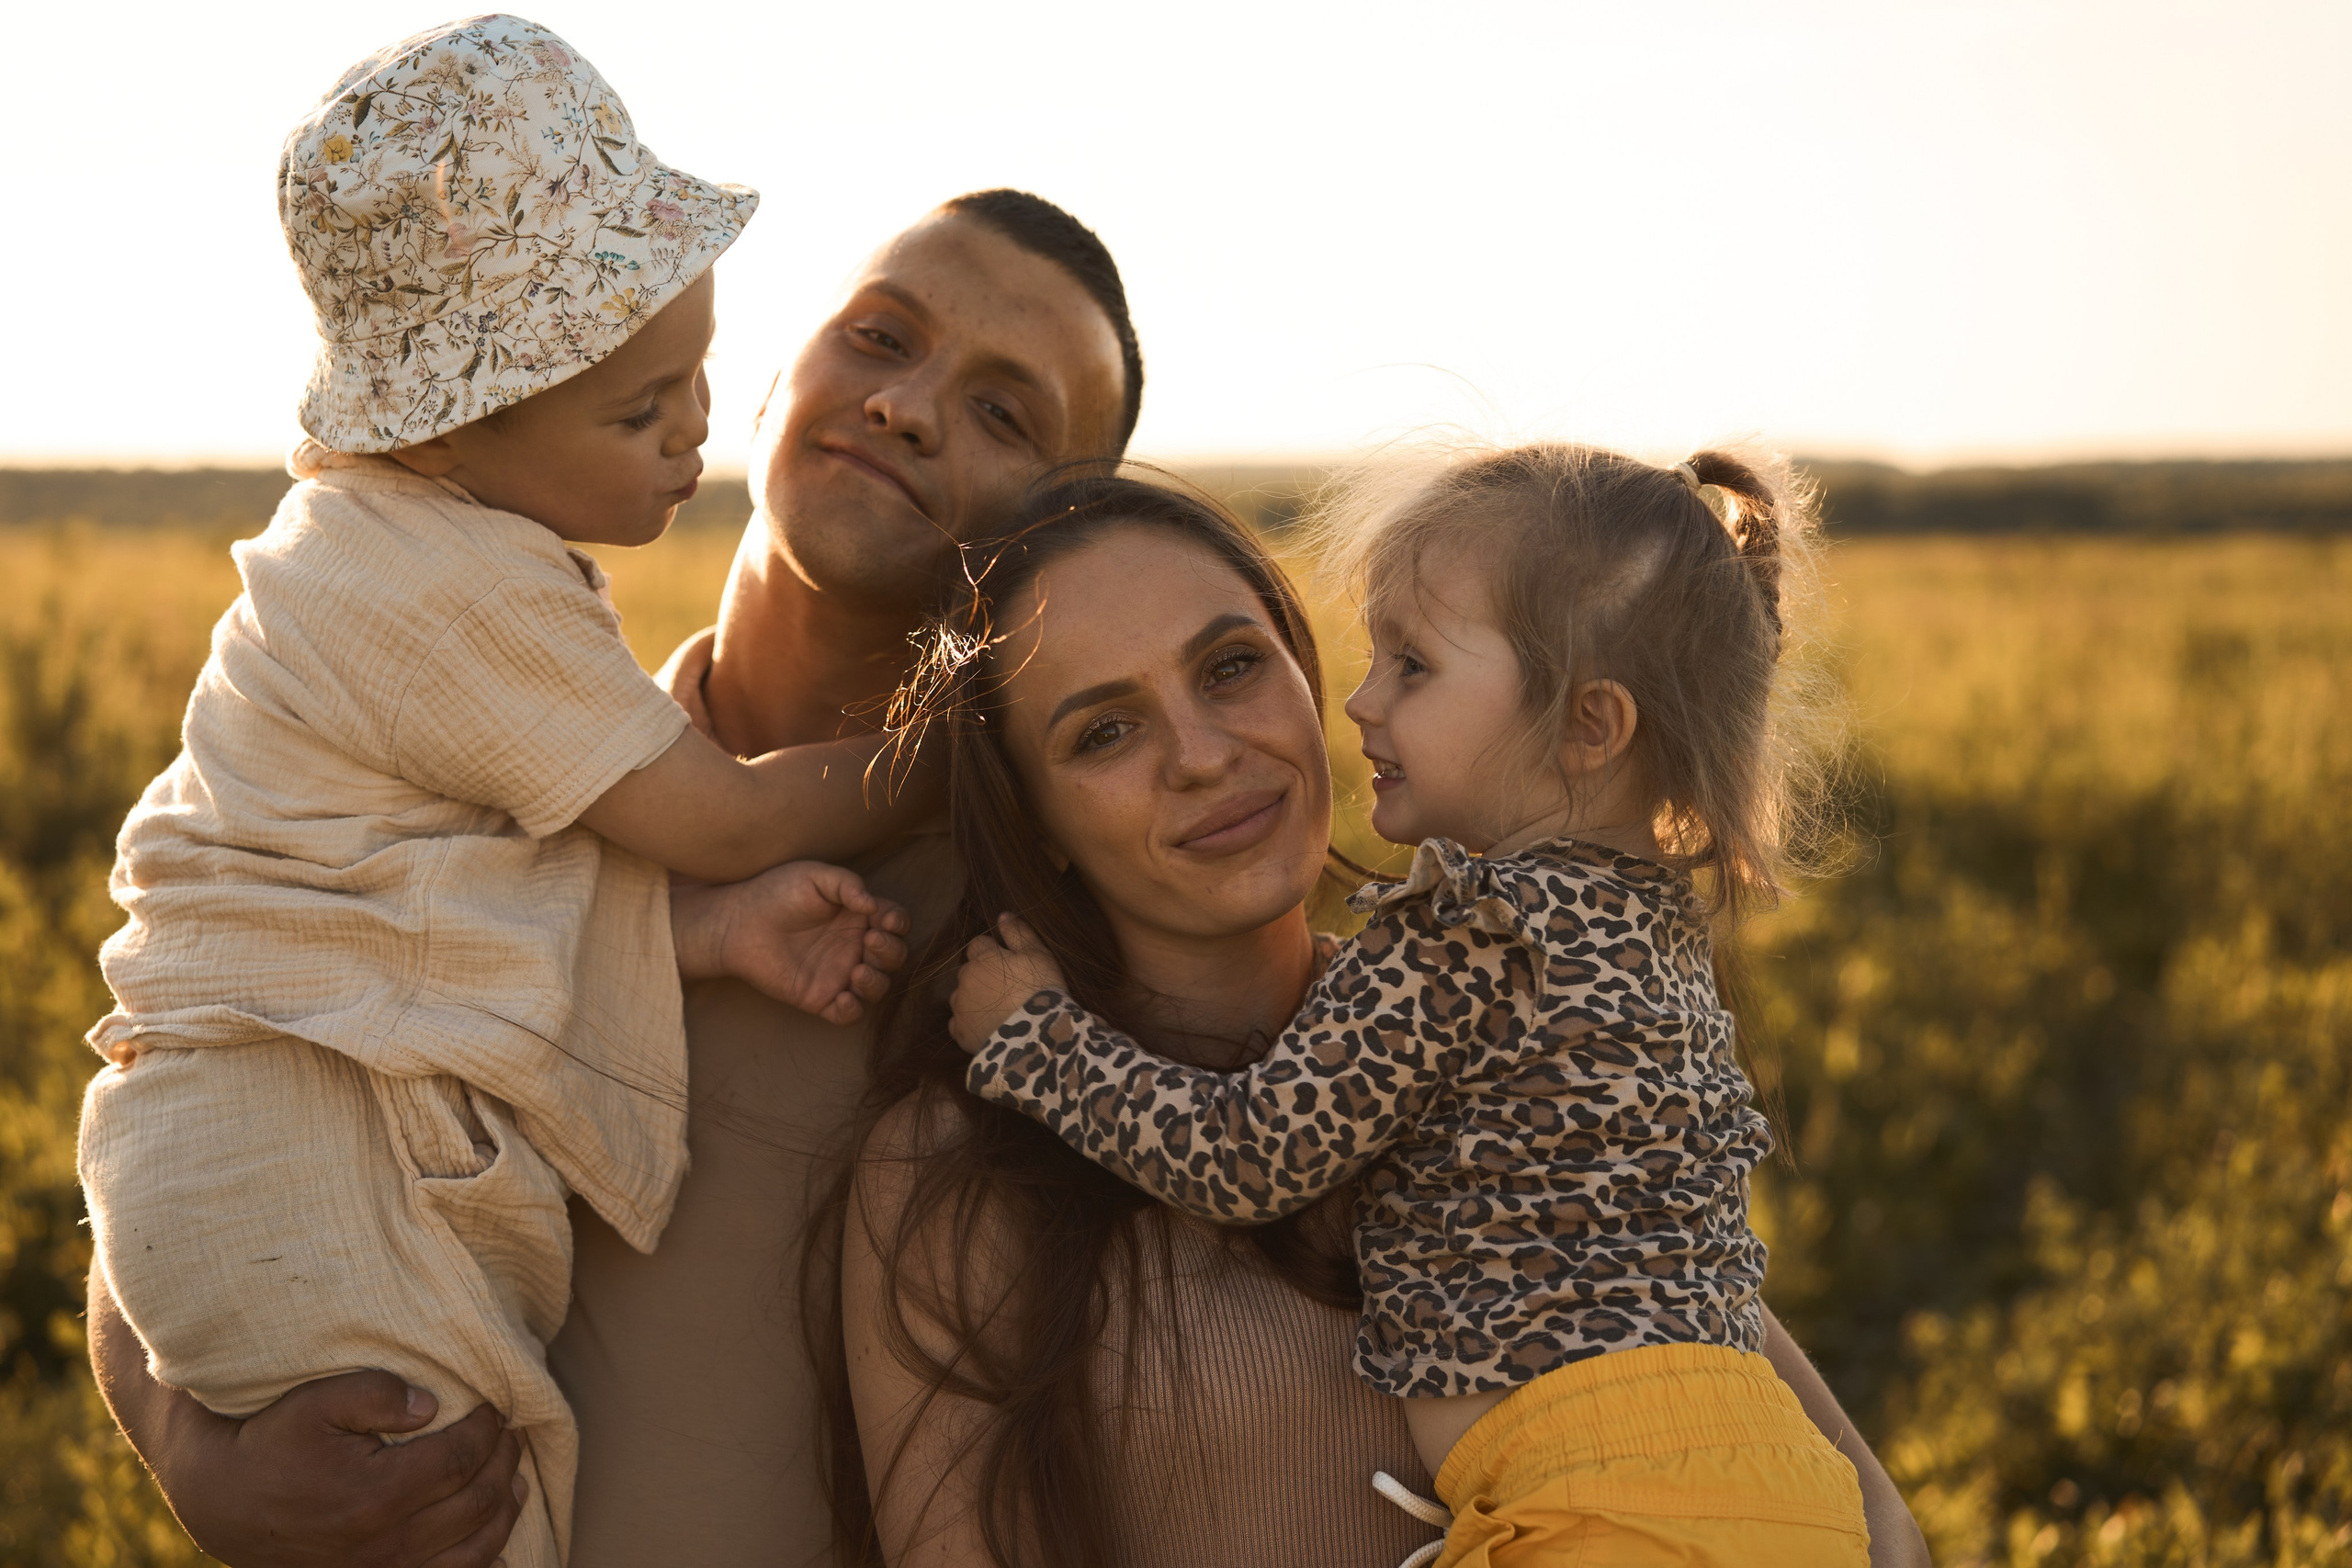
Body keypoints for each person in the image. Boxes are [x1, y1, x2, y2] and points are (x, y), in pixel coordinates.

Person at [85, 185, 1144, 1566]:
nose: (908, 406)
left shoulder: (1036, 951)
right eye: (880, 338)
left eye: (1005, 411)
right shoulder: (443, 767)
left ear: (1060, 527)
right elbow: (191, 1068)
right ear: (769, 375)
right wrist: (187, 1441)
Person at [842, 470, 1929, 1566]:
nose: (1204, 755)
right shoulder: (954, 1172)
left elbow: (1884, 1528)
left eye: (1230, 669)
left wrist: (1039, 1040)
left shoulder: (1482, 998)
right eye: (1104, 733)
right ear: (1035, 820)